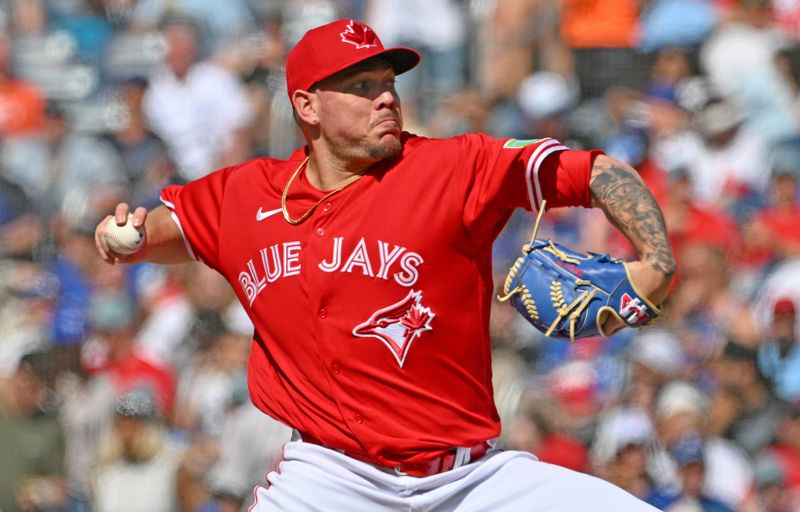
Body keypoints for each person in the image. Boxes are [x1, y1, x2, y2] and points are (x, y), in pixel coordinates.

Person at [95, 18, 674, 511]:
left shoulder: (452, 168)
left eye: (388, 83)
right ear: (307, 105)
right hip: (329, 478)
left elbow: (592, 171)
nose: (387, 97)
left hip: (469, 480)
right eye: (361, 85)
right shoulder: (247, 195)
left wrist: (656, 260)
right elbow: (172, 229)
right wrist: (128, 237)